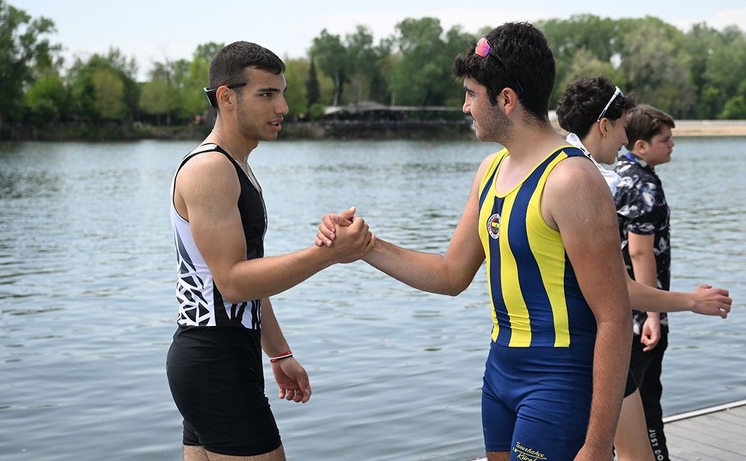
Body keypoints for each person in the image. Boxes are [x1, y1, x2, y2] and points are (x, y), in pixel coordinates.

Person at [322, 22, 633, 461]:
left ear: (506, 99)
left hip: (558, 380)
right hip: (499, 374)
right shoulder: (489, 170)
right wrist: (366, 246)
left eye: (471, 94)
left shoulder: (571, 180)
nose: (465, 106)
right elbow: (451, 274)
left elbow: (615, 317)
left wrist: (598, 443)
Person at [165, 41, 374, 461]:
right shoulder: (210, 169)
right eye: (267, 94)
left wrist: (279, 353)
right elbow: (233, 283)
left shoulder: (236, 165)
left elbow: (250, 277)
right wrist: (328, 254)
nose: (283, 107)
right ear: (227, 97)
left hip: (220, 359)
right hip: (214, 361)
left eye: (282, 93)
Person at [556, 76, 732, 461]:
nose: (624, 139)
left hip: (577, 336)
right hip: (598, 336)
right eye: (622, 127)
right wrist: (685, 303)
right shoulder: (590, 183)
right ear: (604, 125)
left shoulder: (578, 172)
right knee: (638, 429)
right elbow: (630, 266)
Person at [612, 104, 679, 461]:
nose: (672, 145)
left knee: (625, 401)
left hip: (621, 308)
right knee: (645, 400)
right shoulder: (643, 186)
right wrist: (653, 314)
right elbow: (640, 253)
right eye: (664, 140)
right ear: (641, 145)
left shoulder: (618, 174)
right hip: (642, 314)